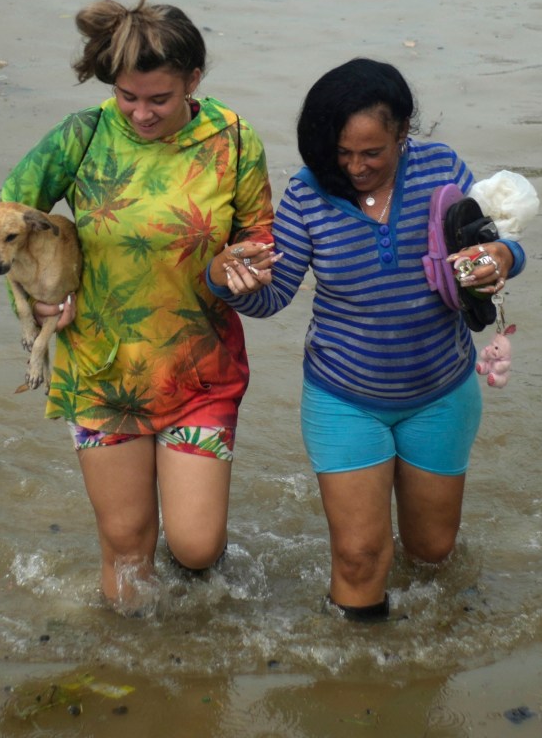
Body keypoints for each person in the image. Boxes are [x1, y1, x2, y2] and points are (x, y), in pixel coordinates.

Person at [213, 59, 522, 621]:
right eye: (342, 153)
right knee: (358, 557)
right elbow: (273, 295)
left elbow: (495, 245)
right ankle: (359, 682)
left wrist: (501, 257)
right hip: (343, 397)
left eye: (372, 152)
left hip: (440, 391)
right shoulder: (307, 194)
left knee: (433, 551)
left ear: (404, 133)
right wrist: (226, 278)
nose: (354, 167)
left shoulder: (443, 169)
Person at [0, 0, 274, 609]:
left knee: (197, 547)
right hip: (100, 368)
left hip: (200, 368)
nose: (141, 114)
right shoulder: (84, 135)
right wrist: (38, 304)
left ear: (193, 80)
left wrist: (242, 267)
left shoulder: (233, 138)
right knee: (126, 547)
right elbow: (6, 220)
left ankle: (197, 616)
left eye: (159, 99)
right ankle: (130, 680)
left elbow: (260, 235)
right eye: (128, 97)